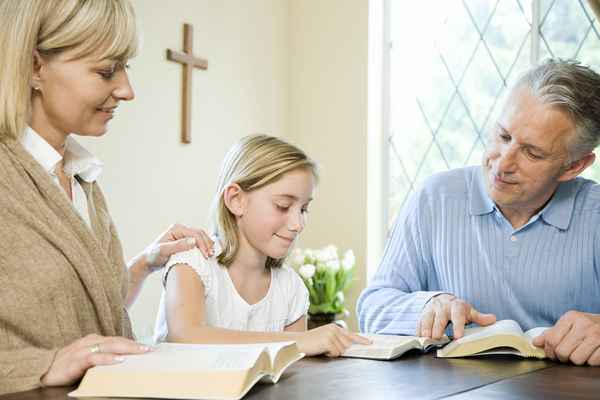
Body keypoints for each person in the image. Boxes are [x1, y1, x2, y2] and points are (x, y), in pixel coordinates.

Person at [0, 0, 213, 394]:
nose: (127, 90)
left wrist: (144, 263)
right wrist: (42, 365)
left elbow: (82, 306)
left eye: (125, 68)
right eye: (106, 71)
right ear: (34, 67)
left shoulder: (82, 180)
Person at [357, 59, 600, 366]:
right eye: (503, 136)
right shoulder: (436, 198)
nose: (503, 163)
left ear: (574, 166)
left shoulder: (595, 215)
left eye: (532, 152)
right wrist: (427, 306)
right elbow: (371, 308)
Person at [153, 135, 370, 357]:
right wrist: (298, 341)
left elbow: (293, 369)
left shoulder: (290, 288)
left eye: (303, 209)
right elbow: (186, 336)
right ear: (236, 200)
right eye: (283, 206)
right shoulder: (192, 263)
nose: (298, 224)